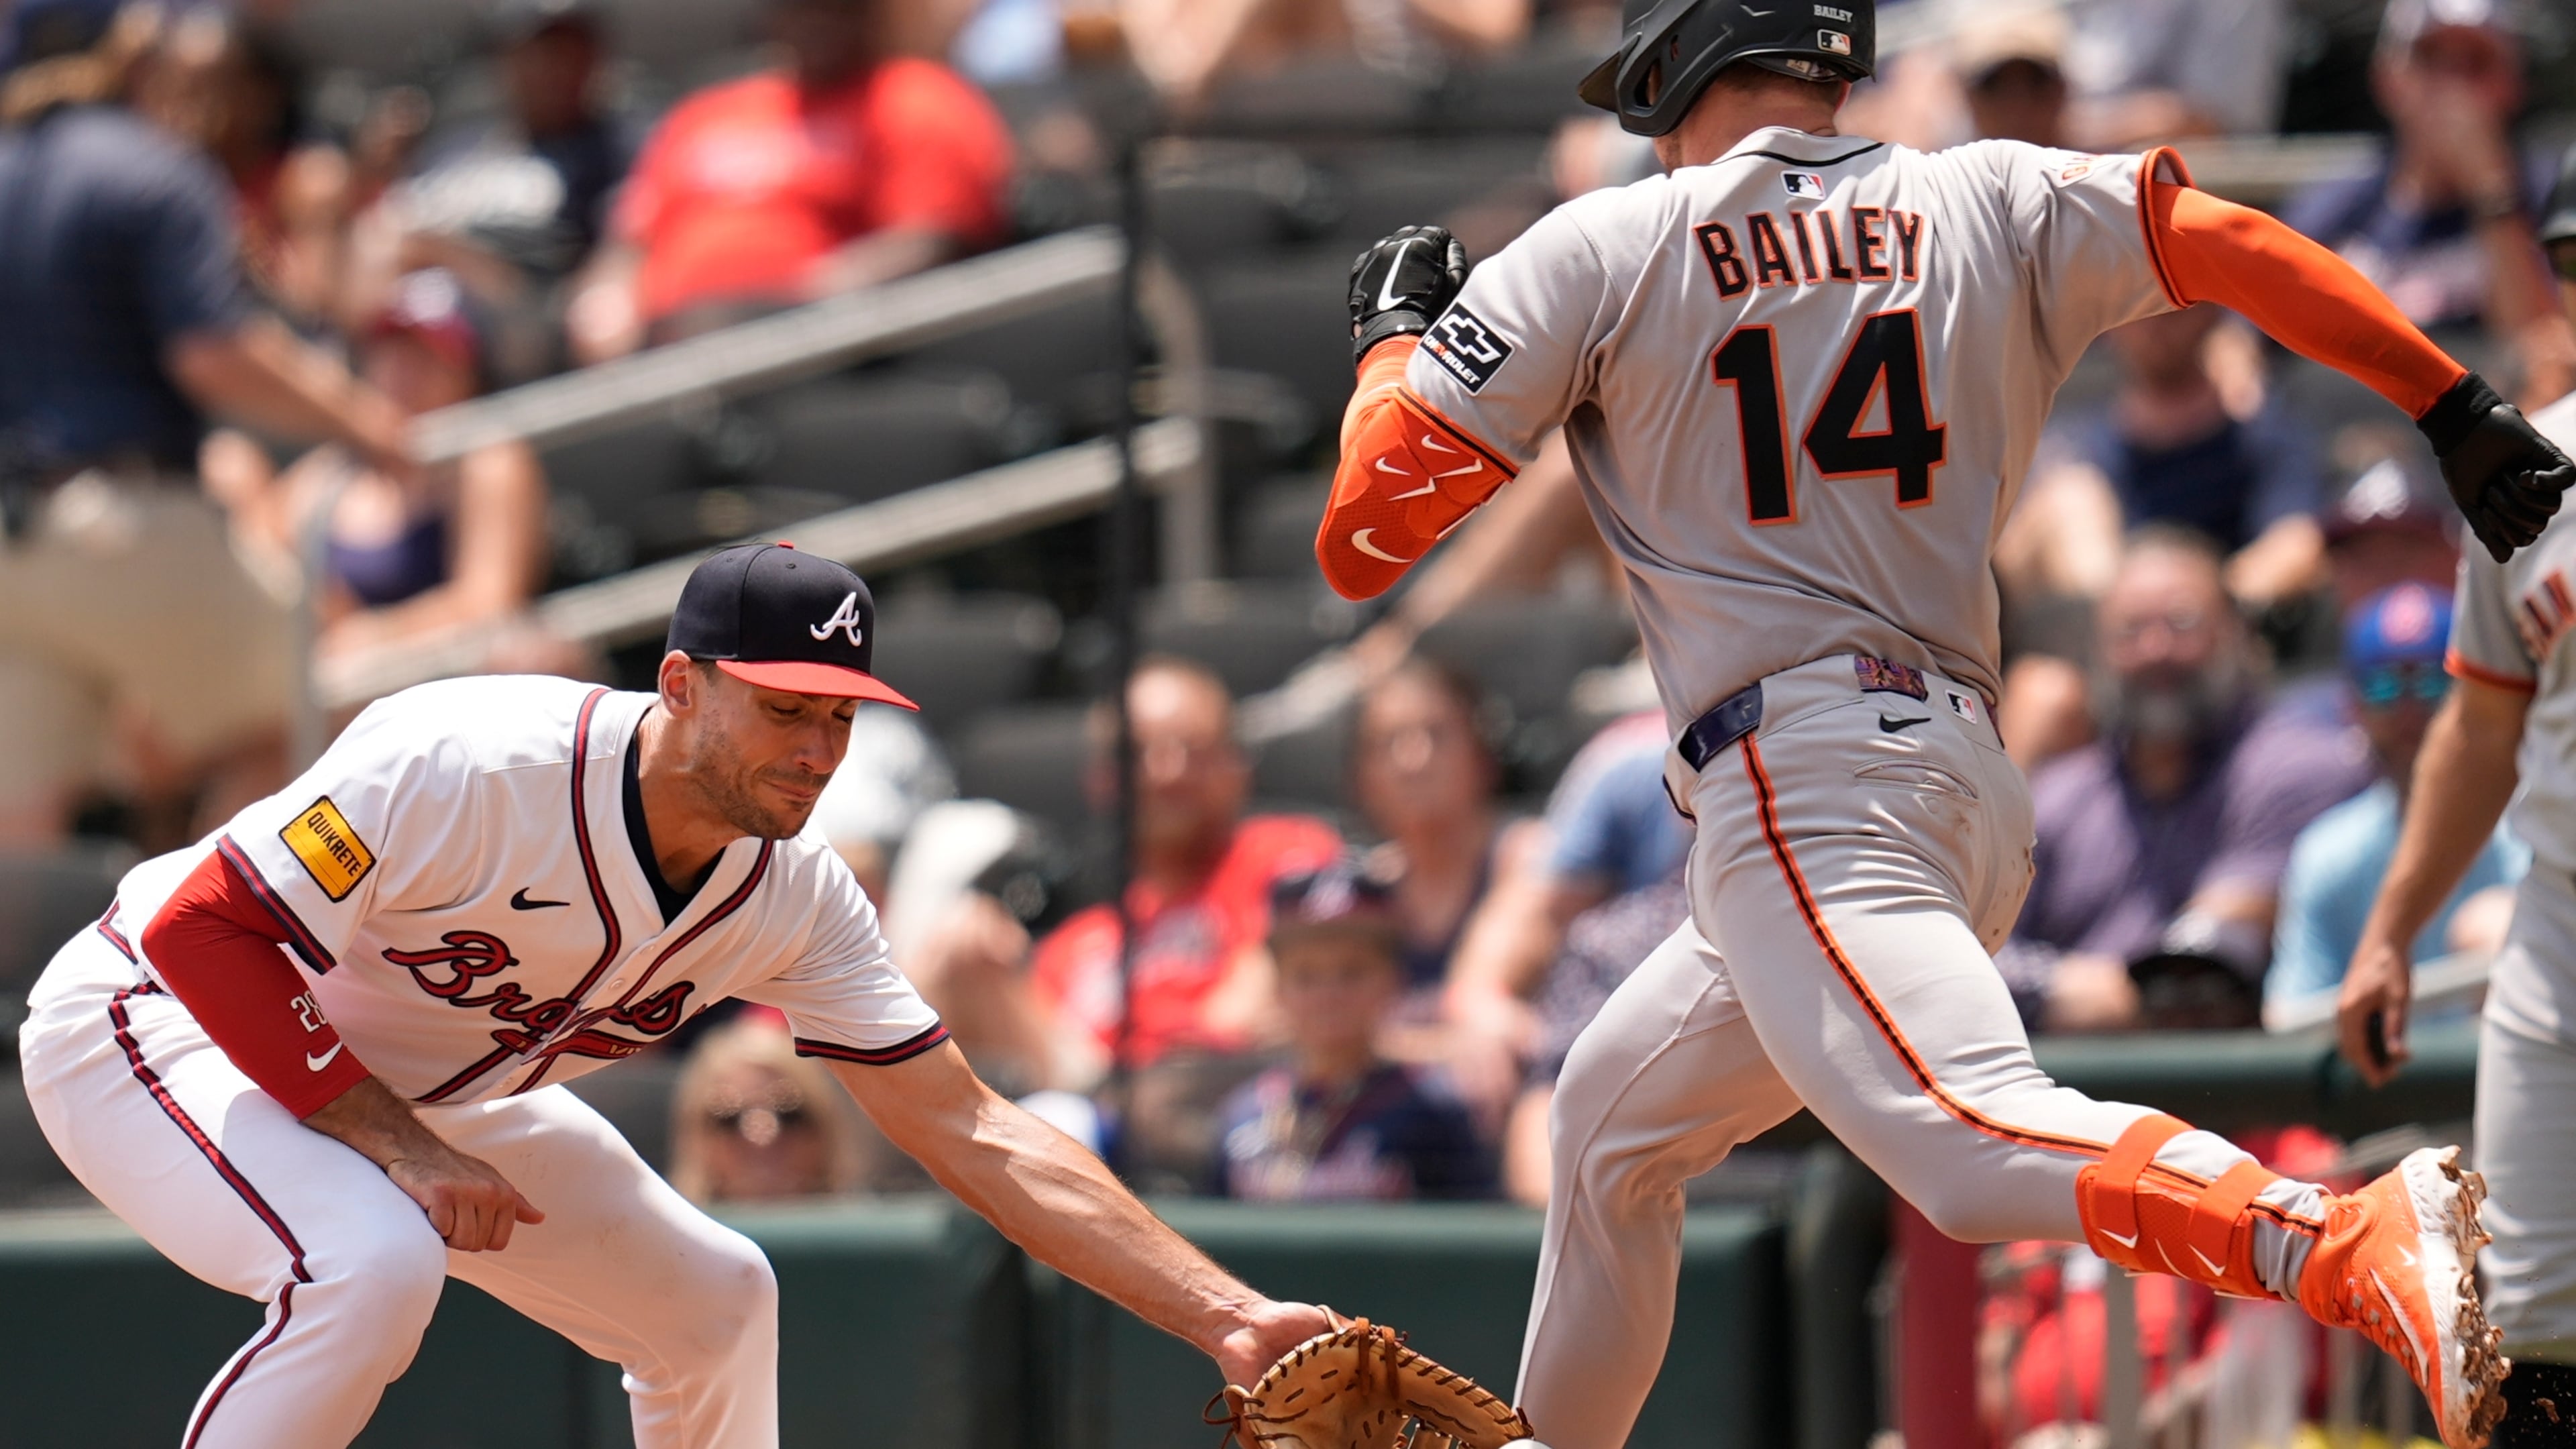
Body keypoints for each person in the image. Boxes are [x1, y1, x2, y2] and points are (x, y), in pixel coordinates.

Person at [1316, 0, 2573, 1437]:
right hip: (1963, 783)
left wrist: (1393, 354)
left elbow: (1369, 535)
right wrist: (2448, 398)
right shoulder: (1985, 185)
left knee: (1965, 1145)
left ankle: (2338, 1242)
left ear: (1675, 65)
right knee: (1610, 1132)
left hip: (1806, 783)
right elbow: (2225, 239)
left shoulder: (1614, 238)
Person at [15, 542, 1330, 1447]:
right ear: (684, 687)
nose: (817, 752)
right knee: (368, 1260)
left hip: (410, 1094)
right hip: (157, 1026)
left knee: (713, 1301)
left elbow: (973, 1131)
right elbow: (208, 932)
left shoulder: (793, 900)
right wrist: (405, 1149)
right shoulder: (469, 760)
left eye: (841, 720)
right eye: (785, 710)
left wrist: (1225, 1317)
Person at [0, 0, 415, 846]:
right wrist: (364, 420)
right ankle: (189, 965)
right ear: (125, 45)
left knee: (26, 813)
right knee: (323, 710)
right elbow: (215, 352)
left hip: (14, 550)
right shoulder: (150, 166)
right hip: (118, 523)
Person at [2339, 150, 2576, 1444]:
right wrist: (2391, 930)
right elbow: (2481, 727)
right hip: (2560, 934)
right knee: (2525, 1344)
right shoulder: (2534, 479)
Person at [2000, 531, 2374, 1032]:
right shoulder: (2060, 794)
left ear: (2238, 633)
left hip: (2241, 1090)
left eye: (2183, 624)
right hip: (2061, 1090)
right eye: (2131, 631)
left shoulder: (2299, 767)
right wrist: (2052, 987)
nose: (2157, 650)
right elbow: (1974, 953)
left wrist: (2095, 992)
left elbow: (2202, 972)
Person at [566, 0, 1014, 361]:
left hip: (815, 349)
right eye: (800, 6)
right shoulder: (705, 112)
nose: (816, 20)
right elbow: (629, 243)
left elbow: (933, 240)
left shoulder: (917, 98)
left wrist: (794, 302)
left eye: (834, 7)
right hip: (663, 345)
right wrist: (608, 301)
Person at [205, 268, 552, 669]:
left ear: (470, 373)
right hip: (338, 686)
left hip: (444, 682)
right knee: (229, 465)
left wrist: (376, 637)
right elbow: (275, 579)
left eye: (428, 353)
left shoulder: (486, 459)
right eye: (392, 348)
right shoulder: (329, 472)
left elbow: (490, 604)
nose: (403, 370)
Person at [1025, 658, 1341, 1077]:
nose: (1168, 772)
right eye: (1138, 754)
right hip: (1073, 1117)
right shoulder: (1070, 948)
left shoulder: (1286, 859)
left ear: (1238, 765)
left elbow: (1240, 1022)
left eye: (1193, 750)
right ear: (1101, 781)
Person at [2282, 0, 2574, 407]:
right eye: (2431, 59)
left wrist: (2490, 191)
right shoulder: (2341, 203)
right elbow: (2248, 341)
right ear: (2389, 78)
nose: (2451, 88)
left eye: (2475, 64)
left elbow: (2543, 351)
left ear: (2511, 85)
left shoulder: (2550, 195)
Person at [2265, 584, 2524, 1024]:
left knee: (2487, 924)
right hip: (2381, 1085)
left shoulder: (2529, 826)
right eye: (2384, 687)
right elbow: (2288, 1018)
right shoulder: (2329, 852)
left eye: (2433, 683)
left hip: (2513, 1068)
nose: (2410, 714)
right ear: (2352, 706)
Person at [350, 0, 633, 380]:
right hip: (398, 332)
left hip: (513, 344)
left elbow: (568, 302)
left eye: (565, 51)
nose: (549, 69)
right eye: (532, 52)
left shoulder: (612, 153)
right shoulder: (453, 149)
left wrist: (441, 252)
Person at [1439, 708, 1687, 1118]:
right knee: (1550, 1098)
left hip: (1793, 1039)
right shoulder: (1636, 757)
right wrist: (1480, 999)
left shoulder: (1825, 745)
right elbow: (1538, 910)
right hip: (1637, 1061)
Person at [1214, 863, 1494, 1201]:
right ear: (1277, 988)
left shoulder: (1433, 1111)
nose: (1329, 994)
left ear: (1395, 981)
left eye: (1353, 973)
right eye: (1306, 976)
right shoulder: (1242, 1112)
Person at [1348, 659, 1527, 1009]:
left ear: (1483, 755)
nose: (1412, 761)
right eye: (1387, 743)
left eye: (1437, 734)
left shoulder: (1526, 856)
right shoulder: (1362, 884)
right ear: (1361, 779)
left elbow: (1474, 1002)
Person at [667, 1014, 869, 1203]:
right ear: (697, 1139)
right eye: (729, 1118)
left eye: (789, 1115)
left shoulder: (870, 1237)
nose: (761, 1137)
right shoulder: (657, 1238)